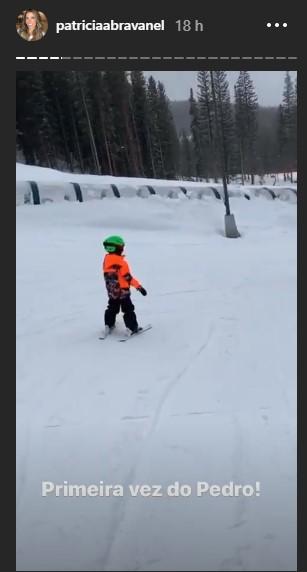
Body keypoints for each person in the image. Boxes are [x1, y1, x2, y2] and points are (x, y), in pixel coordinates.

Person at [102, 235, 147, 335]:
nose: (122, 249)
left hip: (112, 291)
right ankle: (132, 328)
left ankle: (108, 325)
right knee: (128, 309)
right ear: (117, 248)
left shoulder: (106, 260)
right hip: (123, 291)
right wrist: (139, 287)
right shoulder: (122, 263)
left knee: (112, 307)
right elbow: (128, 278)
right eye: (121, 247)